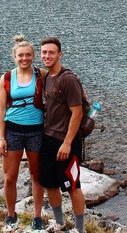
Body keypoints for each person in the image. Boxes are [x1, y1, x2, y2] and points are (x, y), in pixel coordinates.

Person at [0, 35, 46, 231]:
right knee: (10, 177)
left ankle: (37, 217)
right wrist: (1, 138)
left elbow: (58, 85)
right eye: (20, 56)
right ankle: (10, 215)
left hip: (36, 131)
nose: (24, 58)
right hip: (13, 131)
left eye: (28, 55)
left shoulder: (41, 74)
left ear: (33, 56)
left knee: (36, 175)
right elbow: (1, 109)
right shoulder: (7, 78)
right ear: (14, 57)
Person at [39, 36, 87, 233]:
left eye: (51, 52)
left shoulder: (68, 79)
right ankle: (59, 223)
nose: (47, 56)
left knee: (73, 186)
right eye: (44, 52)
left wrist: (67, 143)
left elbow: (78, 112)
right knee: (50, 184)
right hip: (48, 139)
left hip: (66, 141)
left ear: (60, 54)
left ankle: (80, 229)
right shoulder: (47, 77)